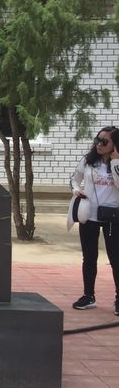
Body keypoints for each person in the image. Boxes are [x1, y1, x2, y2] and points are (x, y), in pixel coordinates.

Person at [70, 125, 119, 315]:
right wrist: (76, 189)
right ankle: (88, 295)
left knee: (115, 258)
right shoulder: (88, 161)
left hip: (112, 216)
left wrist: (115, 163)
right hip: (88, 215)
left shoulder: (117, 163)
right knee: (89, 257)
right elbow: (74, 179)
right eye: (97, 140)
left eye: (104, 141)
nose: (99, 144)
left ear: (114, 144)